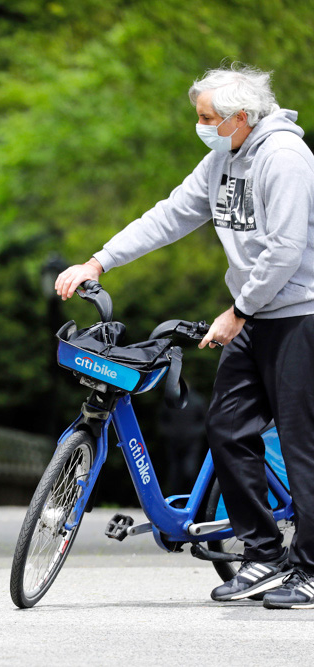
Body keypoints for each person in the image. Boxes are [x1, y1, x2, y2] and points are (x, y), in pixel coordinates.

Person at [55, 64, 314, 609]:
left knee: (300, 442)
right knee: (226, 430)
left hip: (299, 316)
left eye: (207, 117)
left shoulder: (285, 158)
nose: (199, 125)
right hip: (257, 315)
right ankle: (264, 556)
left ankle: (309, 569)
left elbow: (287, 247)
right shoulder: (223, 157)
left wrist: (239, 310)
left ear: (242, 117)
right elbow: (171, 215)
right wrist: (99, 261)